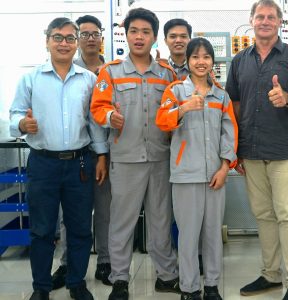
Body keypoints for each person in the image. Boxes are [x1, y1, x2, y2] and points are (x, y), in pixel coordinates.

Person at [9, 17, 108, 300]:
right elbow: (15, 114)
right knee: (42, 231)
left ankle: (77, 282)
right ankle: (41, 288)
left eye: (69, 38)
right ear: (47, 41)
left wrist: (101, 156)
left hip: (80, 164)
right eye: (58, 37)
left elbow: (94, 123)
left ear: (76, 43)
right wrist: (21, 125)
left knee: (79, 229)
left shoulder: (88, 79)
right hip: (43, 164)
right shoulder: (30, 79)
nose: (64, 43)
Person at [90, 8, 180, 300]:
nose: (139, 37)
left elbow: (174, 112)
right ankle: (119, 279)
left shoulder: (166, 74)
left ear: (155, 37)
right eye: (133, 31)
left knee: (161, 220)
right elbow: (97, 107)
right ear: (125, 35)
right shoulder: (111, 72)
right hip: (126, 159)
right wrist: (108, 117)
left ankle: (166, 276)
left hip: (159, 158)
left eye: (145, 32)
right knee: (122, 221)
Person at [225, 1, 288, 299]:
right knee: (263, 214)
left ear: (279, 22)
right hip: (250, 149)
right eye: (259, 16)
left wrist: (286, 97)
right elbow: (234, 106)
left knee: (287, 214)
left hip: (283, 149)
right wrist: (234, 148)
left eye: (270, 17)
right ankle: (271, 274)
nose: (265, 21)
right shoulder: (239, 61)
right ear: (251, 20)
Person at [156, 37, 237, 300]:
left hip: (216, 175)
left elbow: (230, 133)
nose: (201, 62)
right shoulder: (176, 91)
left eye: (206, 57)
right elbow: (162, 121)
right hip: (185, 175)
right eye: (195, 57)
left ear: (213, 61)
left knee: (213, 234)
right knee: (188, 236)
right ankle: (189, 288)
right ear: (188, 61)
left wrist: (225, 167)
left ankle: (212, 285)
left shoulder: (221, 95)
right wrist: (183, 108)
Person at [51, 14, 112, 290]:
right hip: (77, 154)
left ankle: (105, 261)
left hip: (107, 152)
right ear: (77, 39)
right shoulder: (65, 69)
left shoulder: (112, 70)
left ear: (101, 37)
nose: (90, 38)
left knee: (105, 209)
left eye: (94, 33)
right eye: (83, 34)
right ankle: (66, 265)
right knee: (71, 215)